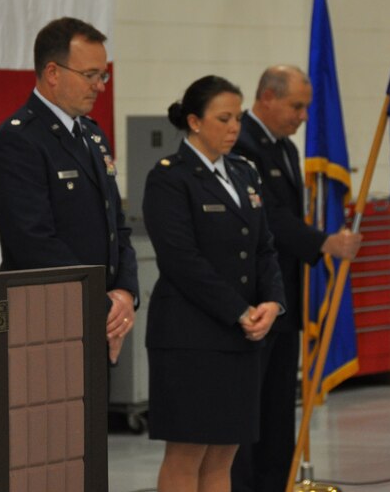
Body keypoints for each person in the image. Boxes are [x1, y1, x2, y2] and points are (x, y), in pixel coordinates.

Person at [144, 75, 286, 492]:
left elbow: (264, 247)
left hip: (239, 336)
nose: (233, 128)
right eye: (223, 118)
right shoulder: (170, 177)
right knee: (187, 453)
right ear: (194, 121)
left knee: (225, 452)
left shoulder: (244, 172)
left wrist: (272, 302)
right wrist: (239, 310)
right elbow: (181, 260)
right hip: (190, 336)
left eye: (238, 118)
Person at [230, 65, 362, 492]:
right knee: (250, 407)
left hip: (286, 295)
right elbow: (267, 217)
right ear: (267, 97)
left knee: (278, 405)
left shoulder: (285, 148)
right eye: (297, 106)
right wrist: (324, 243)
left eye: (306, 107)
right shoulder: (242, 144)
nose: (304, 115)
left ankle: (278, 482)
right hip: (253, 298)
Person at [0, 17, 138, 363]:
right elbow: (33, 242)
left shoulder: (93, 136)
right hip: (48, 319)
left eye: (104, 75)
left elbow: (118, 226)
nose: (100, 86)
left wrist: (126, 293)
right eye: (90, 75)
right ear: (53, 73)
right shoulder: (19, 140)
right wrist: (103, 303)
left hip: (100, 316)